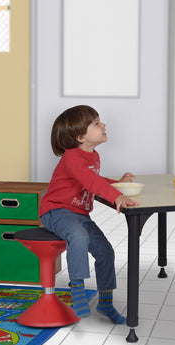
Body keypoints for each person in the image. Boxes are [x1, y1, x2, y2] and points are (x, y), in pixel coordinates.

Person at [39, 105, 139, 324]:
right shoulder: (72, 157)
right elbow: (90, 180)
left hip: (79, 214)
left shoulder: (93, 155)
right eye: (96, 123)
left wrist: (118, 184)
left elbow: (94, 179)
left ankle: (105, 302)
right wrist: (116, 197)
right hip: (56, 211)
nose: (103, 125)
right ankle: (77, 286)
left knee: (105, 251)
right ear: (80, 137)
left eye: (99, 120)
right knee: (80, 237)